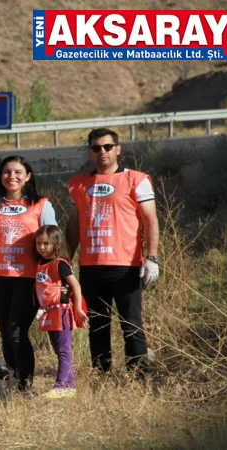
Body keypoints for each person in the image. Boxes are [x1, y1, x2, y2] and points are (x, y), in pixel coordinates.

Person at [66, 128, 159, 375]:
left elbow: (150, 220)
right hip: (90, 266)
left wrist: (152, 258)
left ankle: (140, 376)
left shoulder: (136, 179)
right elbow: (73, 226)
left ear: (118, 149)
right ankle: (101, 375)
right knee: (97, 325)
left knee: (131, 325)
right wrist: (64, 262)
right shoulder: (78, 184)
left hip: (126, 265)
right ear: (89, 152)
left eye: (107, 147)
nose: (102, 152)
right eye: (96, 148)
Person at [0, 155, 58, 392]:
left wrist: (54, 279)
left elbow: (54, 244)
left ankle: (25, 384)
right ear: (0, 177)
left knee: (16, 330)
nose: (12, 177)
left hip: (29, 279)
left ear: (28, 177)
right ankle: (13, 380)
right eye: (6, 172)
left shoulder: (41, 205)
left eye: (18, 172)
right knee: (5, 331)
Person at [33, 225, 88, 399]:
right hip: (48, 312)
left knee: (64, 349)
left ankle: (61, 386)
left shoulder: (61, 264)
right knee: (58, 349)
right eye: (39, 243)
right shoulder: (40, 264)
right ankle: (70, 386)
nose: (42, 247)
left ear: (56, 244)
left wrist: (78, 308)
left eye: (46, 244)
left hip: (62, 312)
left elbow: (75, 285)